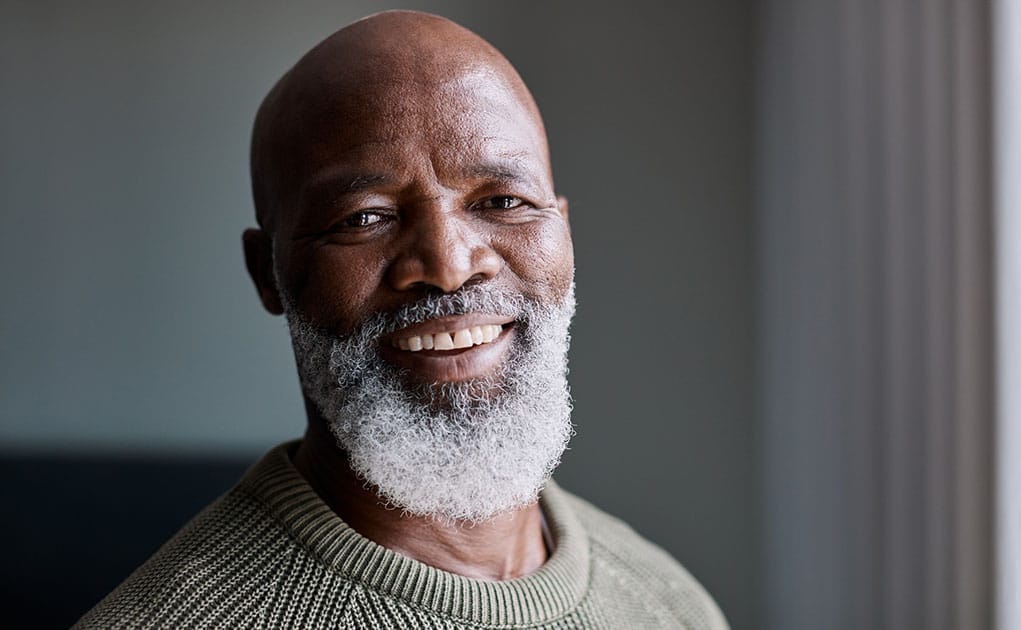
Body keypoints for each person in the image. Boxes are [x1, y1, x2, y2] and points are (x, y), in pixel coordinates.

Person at [78, 10, 728, 629]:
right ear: (267, 273)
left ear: (562, 229)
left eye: (504, 200)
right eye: (365, 217)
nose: (447, 265)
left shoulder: (671, 602)